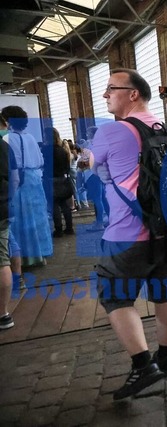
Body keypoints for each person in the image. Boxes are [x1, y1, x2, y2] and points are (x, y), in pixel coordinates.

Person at [91, 68, 167, 400]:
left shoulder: (112, 131)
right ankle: (166, 358)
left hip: (126, 233)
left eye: (111, 88)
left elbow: (92, 166)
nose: (105, 94)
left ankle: (144, 365)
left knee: (115, 295)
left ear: (133, 94)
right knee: (166, 294)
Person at [1, 106, 53, 267]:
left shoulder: (7, 138)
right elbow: (41, 160)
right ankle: (40, 255)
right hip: (35, 180)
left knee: (20, 220)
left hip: (19, 181)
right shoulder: (30, 137)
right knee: (37, 219)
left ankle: (23, 259)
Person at [0, 116, 18, 329]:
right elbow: (14, 178)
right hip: (3, 207)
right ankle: (3, 313)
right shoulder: (6, 148)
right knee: (2, 258)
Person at [50, 128, 74, 237]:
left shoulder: (48, 150)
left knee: (54, 205)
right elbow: (67, 167)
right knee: (64, 204)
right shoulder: (62, 150)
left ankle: (58, 229)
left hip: (51, 179)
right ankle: (69, 227)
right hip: (63, 179)